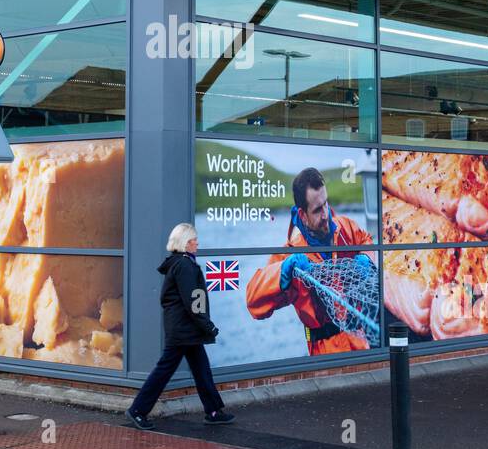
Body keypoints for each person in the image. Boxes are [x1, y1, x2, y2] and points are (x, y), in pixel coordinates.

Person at [245, 167, 376, 355]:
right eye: (317, 210)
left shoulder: (345, 227)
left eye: (325, 203)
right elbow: (253, 301)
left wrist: (366, 258)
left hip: (361, 342)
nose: (326, 215)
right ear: (302, 215)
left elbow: (366, 240)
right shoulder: (290, 255)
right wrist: (283, 271)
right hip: (325, 353)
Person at [126, 223, 235, 430]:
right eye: (194, 240)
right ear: (186, 243)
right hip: (183, 330)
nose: (197, 243)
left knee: (201, 369)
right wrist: (208, 325)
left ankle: (213, 411)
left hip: (186, 329)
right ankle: (137, 411)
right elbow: (193, 300)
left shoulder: (178, 264)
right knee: (164, 370)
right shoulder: (184, 266)